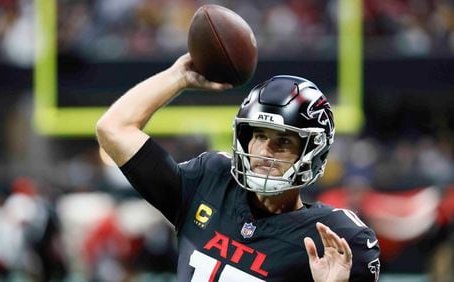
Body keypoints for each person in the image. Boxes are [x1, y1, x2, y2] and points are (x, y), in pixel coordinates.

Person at [96, 53, 381, 281]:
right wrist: (177, 77)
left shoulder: (333, 237)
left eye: (282, 142)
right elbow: (114, 128)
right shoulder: (211, 182)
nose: (264, 151)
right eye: (258, 136)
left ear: (312, 152)